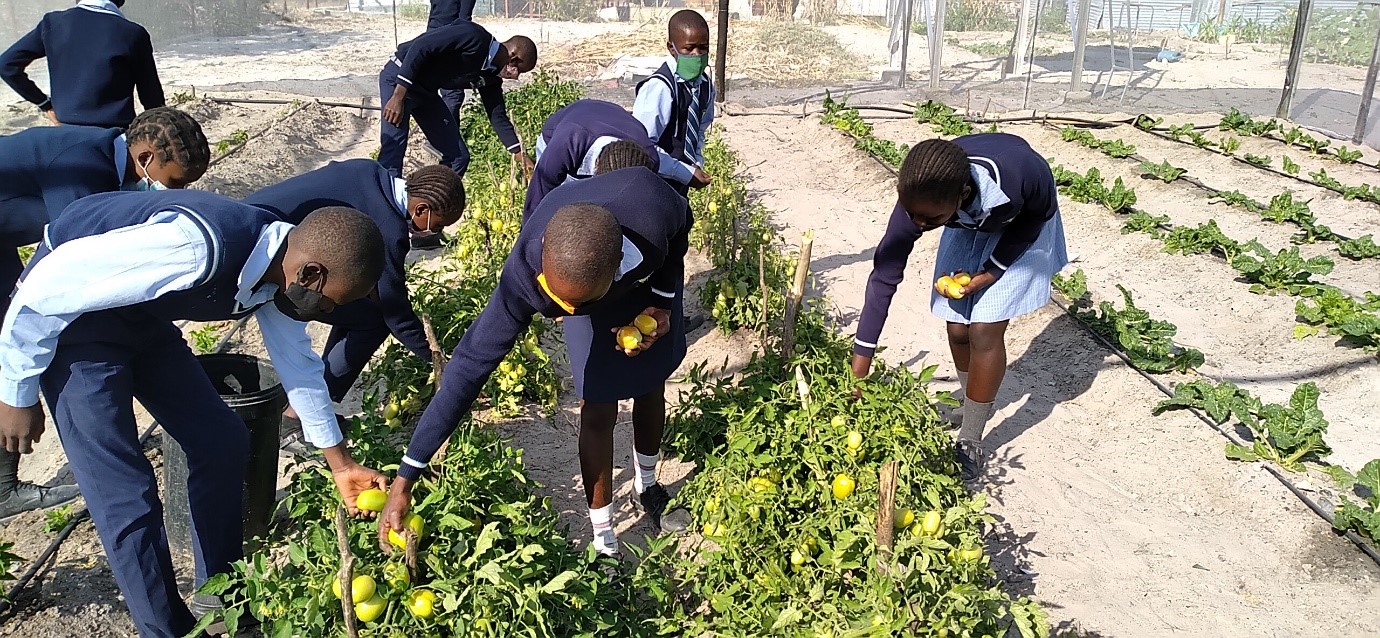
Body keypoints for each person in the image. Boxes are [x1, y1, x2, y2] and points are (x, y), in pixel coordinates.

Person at [0, 190, 391, 637]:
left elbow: (299, 366)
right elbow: (45, 288)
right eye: (329, 304)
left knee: (222, 441)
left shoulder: (281, 275)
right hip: (75, 326)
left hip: (140, 318)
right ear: (311, 273)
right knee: (124, 492)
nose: (326, 313)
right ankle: (167, 631)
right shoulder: (194, 246)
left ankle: (221, 595)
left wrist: (340, 464)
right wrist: (16, 392)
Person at [377, 154, 692, 559]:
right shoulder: (525, 277)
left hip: (629, 280)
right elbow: (469, 367)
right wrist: (406, 476)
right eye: (554, 303)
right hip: (586, 273)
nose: (560, 313)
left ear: (618, 267)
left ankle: (646, 485)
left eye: (571, 308)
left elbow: (681, 227)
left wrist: (662, 301)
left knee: (650, 383)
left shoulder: (653, 208)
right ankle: (604, 540)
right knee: (597, 406)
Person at [0, 106, 208, 519]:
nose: (177, 192)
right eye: (175, 183)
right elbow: (77, 265)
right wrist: (20, 394)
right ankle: (3, 487)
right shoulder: (79, 168)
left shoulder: (116, 160)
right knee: (12, 340)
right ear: (146, 158)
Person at [849, 135, 1068, 481]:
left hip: (1023, 222)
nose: (918, 224)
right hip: (964, 218)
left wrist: (992, 271)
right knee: (957, 327)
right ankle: (970, 404)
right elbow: (884, 278)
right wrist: (857, 375)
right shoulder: (922, 199)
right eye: (912, 215)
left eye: (928, 219)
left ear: (962, 194)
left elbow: (1035, 217)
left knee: (984, 329)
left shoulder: (1020, 176)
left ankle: (971, 437)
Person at [243, 161, 466, 428]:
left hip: (248, 223)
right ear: (421, 209)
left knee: (360, 305)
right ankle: (301, 415)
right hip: (260, 264)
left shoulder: (369, 171)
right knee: (373, 321)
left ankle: (309, 404)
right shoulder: (389, 229)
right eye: (437, 226)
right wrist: (436, 357)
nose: (435, 232)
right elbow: (394, 312)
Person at [377, 21, 537, 179]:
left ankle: (435, 194)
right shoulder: (474, 36)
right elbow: (421, 46)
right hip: (399, 78)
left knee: (458, 158)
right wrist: (398, 96)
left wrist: (521, 157)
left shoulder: (490, 77)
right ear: (513, 57)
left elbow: (498, 117)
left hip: (425, 91)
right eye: (519, 70)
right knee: (393, 150)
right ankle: (381, 194)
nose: (515, 76)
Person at [0, 0, 164, 129]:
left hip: (66, 131)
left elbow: (6, 65)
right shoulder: (132, 33)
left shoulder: (53, 23)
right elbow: (152, 98)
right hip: (113, 136)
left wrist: (44, 103)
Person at [524, 99, 660, 220]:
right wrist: (529, 236)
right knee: (562, 207)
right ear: (596, 164)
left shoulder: (649, 160)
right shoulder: (565, 145)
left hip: (612, 118)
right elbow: (538, 198)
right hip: (570, 124)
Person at [633, 9, 715, 196]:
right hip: (653, 182)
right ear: (672, 48)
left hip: (680, 181)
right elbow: (643, 146)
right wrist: (683, 172)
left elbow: (699, 130)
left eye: (703, 48)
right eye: (689, 48)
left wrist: (696, 163)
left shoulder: (705, 86)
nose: (696, 54)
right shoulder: (660, 87)